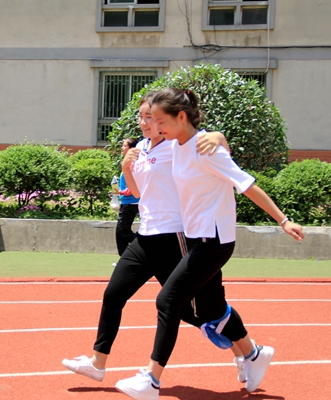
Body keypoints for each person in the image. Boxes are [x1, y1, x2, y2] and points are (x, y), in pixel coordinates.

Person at [114, 88, 304, 400]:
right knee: (212, 309)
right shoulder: (177, 146)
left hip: (213, 241)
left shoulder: (206, 148)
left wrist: (283, 220)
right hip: (194, 239)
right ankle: (254, 354)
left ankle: (151, 380)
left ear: (181, 116)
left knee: (167, 301)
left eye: (160, 121)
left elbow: (247, 185)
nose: (155, 127)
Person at [63, 93, 248, 386]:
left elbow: (213, 145)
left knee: (186, 310)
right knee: (114, 295)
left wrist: (219, 135)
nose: (145, 122)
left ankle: (242, 351)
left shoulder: (177, 145)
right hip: (146, 235)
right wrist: (126, 166)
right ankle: (98, 362)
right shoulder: (141, 147)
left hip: (175, 236)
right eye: (141, 117)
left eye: (150, 117)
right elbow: (138, 195)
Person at [114, 137, 140, 261]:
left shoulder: (132, 165)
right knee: (120, 232)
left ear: (130, 148)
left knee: (123, 231)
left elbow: (134, 186)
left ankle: (144, 244)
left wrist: (121, 192)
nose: (122, 147)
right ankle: (124, 259)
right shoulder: (127, 164)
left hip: (131, 203)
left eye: (124, 145)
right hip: (126, 202)